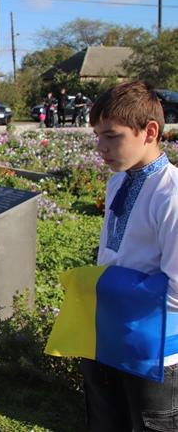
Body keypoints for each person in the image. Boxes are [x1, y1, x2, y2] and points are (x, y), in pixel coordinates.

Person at [80, 81, 178, 431]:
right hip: (109, 334)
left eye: (112, 136)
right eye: (97, 136)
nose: (101, 148)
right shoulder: (119, 180)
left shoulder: (171, 194)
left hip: (153, 351)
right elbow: (111, 255)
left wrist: (114, 288)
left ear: (149, 131)